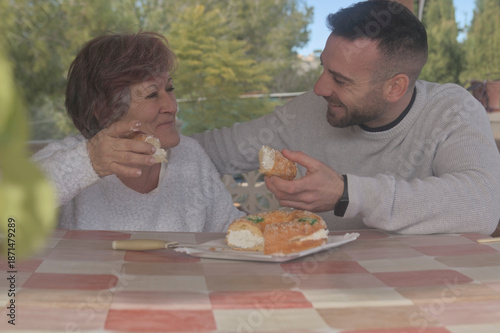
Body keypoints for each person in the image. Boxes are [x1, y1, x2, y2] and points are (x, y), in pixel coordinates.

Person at [191, 1, 500, 235]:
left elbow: (483, 205)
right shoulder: (307, 111)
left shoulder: (450, 110)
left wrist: (347, 193)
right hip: (321, 288)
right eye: (323, 67)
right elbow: (209, 152)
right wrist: (149, 146)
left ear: (396, 87)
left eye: (340, 79)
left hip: (424, 289)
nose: (319, 87)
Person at [33, 31, 244, 232]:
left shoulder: (189, 155)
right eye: (152, 95)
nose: (171, 106)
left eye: (169, 89)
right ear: (104, 110)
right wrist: (90, 162)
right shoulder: (73, 154)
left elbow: (232, 232)